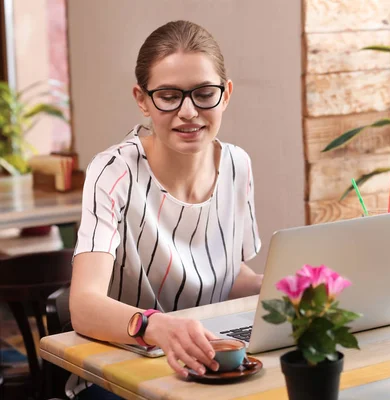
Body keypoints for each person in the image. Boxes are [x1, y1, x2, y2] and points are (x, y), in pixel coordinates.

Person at [68, 20, 263, 399]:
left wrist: (290, 284)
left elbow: (225, 272)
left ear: (226, 94)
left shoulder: (238, 164)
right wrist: (156, 326)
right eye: (170, 95)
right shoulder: (113, 171)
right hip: (118, 374)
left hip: (208, 364)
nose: (189, 111)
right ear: (142, 99)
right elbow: (84, 305)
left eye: (204, 93)